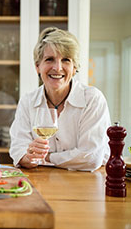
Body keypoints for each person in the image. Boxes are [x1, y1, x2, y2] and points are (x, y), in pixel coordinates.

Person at [9, 27, 111, 172]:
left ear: (74, 67)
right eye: (49, 59)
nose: (57, 68)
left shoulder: (92, 99)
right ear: (38, 66)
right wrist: (29, 157)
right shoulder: (28, 101)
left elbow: (90, 157)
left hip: (88, 184)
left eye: (65, 60)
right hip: (41, 181)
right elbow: (18, 150)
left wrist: (46, 157)